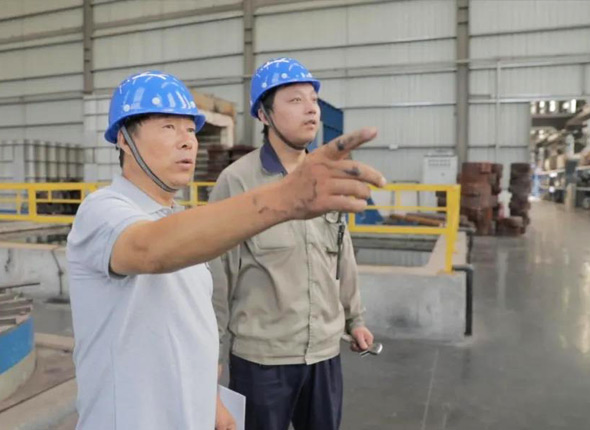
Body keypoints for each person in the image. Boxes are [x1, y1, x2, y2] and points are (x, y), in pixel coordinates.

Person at [66, 70, 384, 430]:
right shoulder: (102, 211)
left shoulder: (183, 221)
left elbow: (187, 324)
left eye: (190, 130)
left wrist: (212, 401)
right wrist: (285, 199)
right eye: (168, 127)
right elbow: (147, 249)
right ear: (125, 139)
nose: (187, 142)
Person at [209, 57, 375, 430]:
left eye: (313, 100)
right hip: (262, 360)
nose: (311, 109)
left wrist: (355, 319)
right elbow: (219, 277)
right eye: (295, 100)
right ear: (264, 114)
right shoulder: (237, 182)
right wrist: (212, 356)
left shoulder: (326, 176)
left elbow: (342, 255)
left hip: (324, 353)